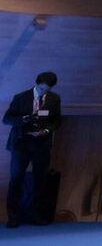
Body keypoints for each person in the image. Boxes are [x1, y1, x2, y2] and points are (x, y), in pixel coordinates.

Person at [4, 71, 61, 227]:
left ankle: (37, 215)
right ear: (36, 84)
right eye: (41, 88)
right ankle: (13, 216)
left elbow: (56, 121)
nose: (43, 92)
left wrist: (47, 130)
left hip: (41, 143)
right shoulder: (21, 97)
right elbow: (6, 119)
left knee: (40, 180)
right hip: (21, 142)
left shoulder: (54, 99)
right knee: (16, 179)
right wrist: (23, 119)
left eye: (47, 90)